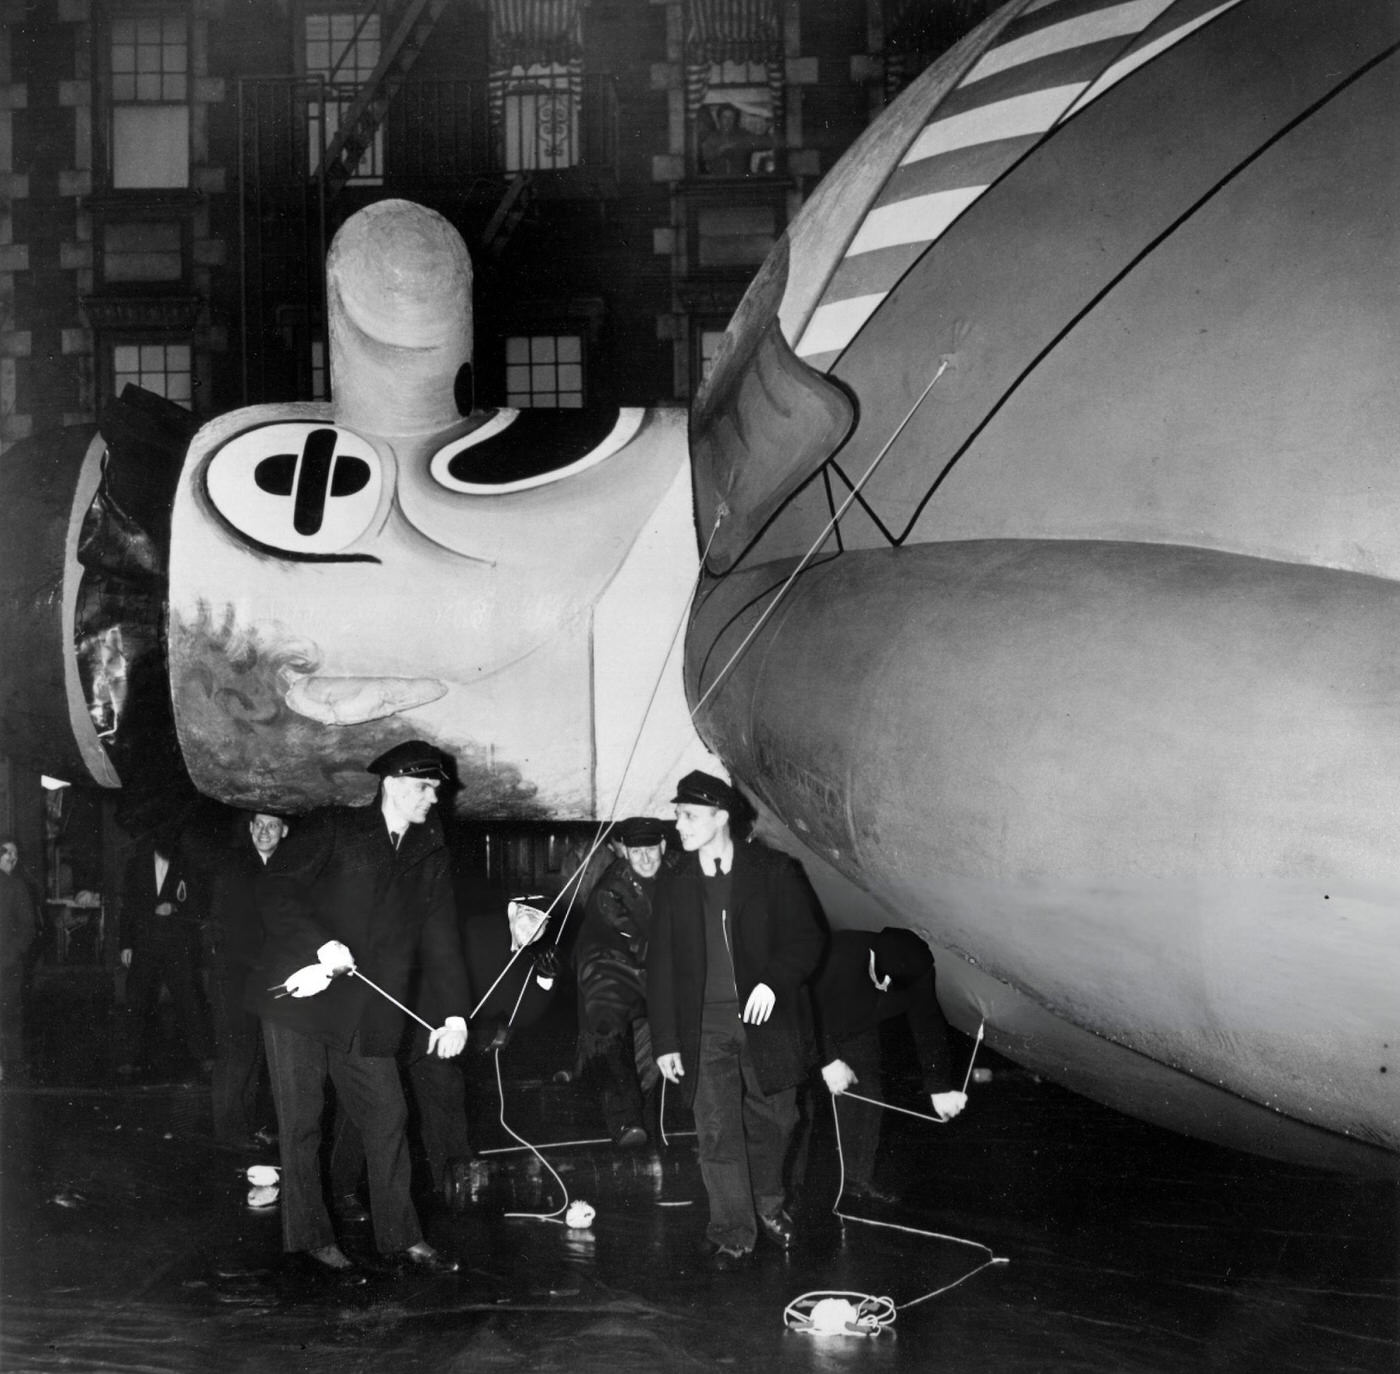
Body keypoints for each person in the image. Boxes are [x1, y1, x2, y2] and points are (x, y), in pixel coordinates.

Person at [247, 740, 471, 1283]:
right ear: (392, 783)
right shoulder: (334, 828)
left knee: (388, 1115)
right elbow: (275, 891)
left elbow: (440, 937)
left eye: (436, 787)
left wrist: (454, 1014)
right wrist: (320, 943)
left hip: (369, 1009)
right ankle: (312, 1239)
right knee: (302, 1124)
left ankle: (402, 1236)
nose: (433, 797)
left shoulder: (431, 848)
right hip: (299, 998)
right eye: (425, 786)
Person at [648, 770, 826, 1269]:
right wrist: (665, 1040)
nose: (678, 824)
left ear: (721, 817)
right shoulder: (675, 878)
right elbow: (659, 964)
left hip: (768, 1023)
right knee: (717, 1130)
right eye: (677, 814)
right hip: (703, 1027)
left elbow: (808, 940)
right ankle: (731, 1230)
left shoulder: (774, 869)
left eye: (688, 815)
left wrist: (773, 980)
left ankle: (768, 1204)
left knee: (778, 1121)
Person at [809, 926, 967, 1205]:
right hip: (812, 1024)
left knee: (869, 1097)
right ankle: (794, 1189)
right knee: (799, 1105)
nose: (886, 990)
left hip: (860, 1028)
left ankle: (856, 1179)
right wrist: (828, 1059)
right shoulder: (837, 953)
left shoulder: (917, 970)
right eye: (884, 983)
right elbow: (806, 1006)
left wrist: (938, 1087)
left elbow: (927, 1024)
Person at [574, 816, 671, 1148]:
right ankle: (625, 1122)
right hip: (609, 970)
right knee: (608, 1033)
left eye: (650, 850)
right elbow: (634, 946)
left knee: (653, 1053)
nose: (644, 858)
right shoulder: (609, 890)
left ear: (663, 846)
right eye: (635, 851)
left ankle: (647, 1119)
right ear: (623, 853)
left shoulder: (676, 877)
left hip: (652, 972)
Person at [206, 812, 288, 1149]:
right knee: (236, 1052)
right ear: (250, 829)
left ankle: (248, 1126)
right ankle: (228, 1133)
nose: (265, 832)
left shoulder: (284, 867)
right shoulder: (235, 867)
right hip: (235, 973)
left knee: (255, 1054)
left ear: (284, 831)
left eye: (272, 826)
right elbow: (232, 927)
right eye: (259, 825)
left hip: (264, 975)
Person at [117, 829, 211, 1077]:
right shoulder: (136, 865)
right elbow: (127, 906)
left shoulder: (186, 865)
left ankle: (203, 1056)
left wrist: (176, 907)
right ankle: (128, 1057)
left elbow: (199, 905)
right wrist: (125, 944)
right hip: (144, 944)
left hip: (176, 946)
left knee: (189, 1000)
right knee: (135, 1001)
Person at [0, 837, 40, 1082]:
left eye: (15, 854)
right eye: (6, 852)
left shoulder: (17, 886)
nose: (12, 857)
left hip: (7, 964)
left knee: (10, 1013)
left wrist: (12, 953)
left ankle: (13, 1063)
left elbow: (28, 928)